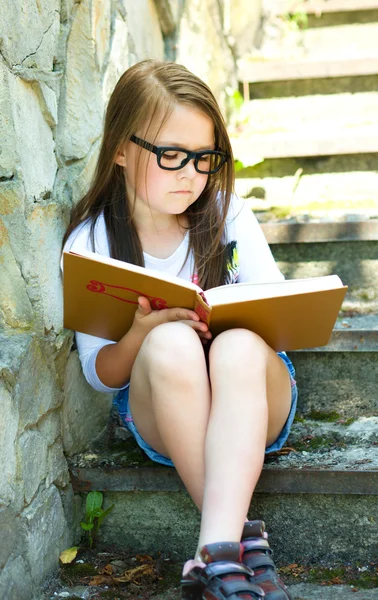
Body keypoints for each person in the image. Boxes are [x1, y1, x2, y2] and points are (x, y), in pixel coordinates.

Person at [62, 59, 297, 600]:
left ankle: (216, 555)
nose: (190, 174)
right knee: (168, 340)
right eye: (170, 156)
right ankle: (231, 549)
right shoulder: (91, 239)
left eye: (204, 159)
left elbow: (281, 319)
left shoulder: (227, 212)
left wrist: (233, 321)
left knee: (238, 344)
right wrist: (142, 333)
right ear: (120, 149)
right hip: (167, 412)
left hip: (252, 399)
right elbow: (100, 376)